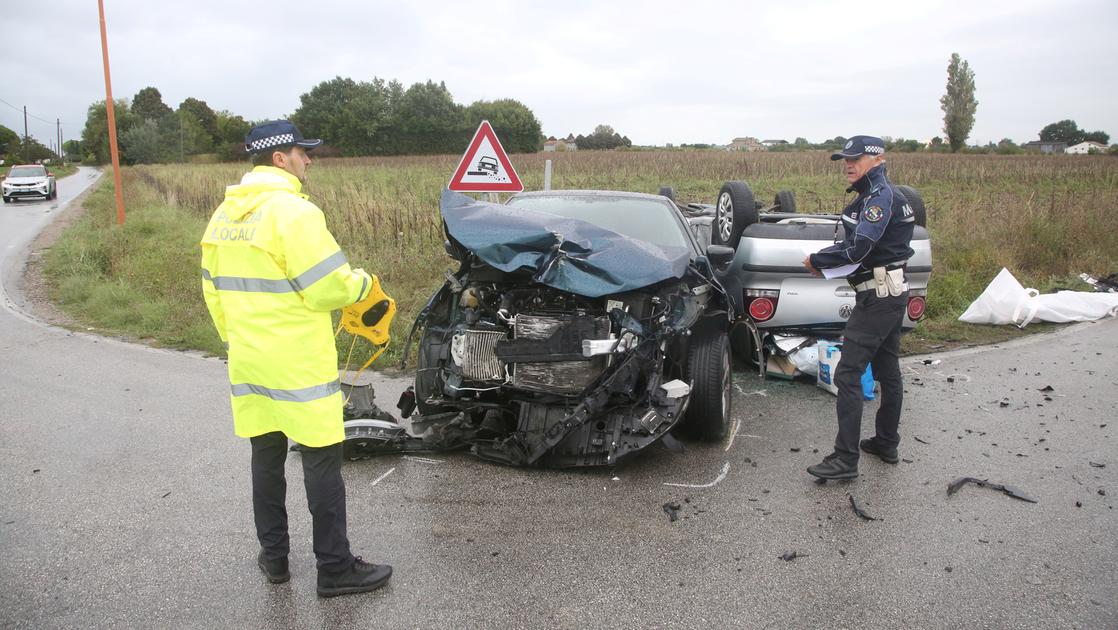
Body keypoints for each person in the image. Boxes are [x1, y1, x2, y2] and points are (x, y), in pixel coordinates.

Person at [200, 120, 392, 597]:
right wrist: (364, 284)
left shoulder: (223, 216)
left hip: (248, 362)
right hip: (298, 366)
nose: (310, 159)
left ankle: (275, 560)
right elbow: (329, 286)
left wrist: (238, 342)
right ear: (279, 159)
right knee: (322, 462)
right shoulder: (293, 213)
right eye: (302, 153)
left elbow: (213, 292)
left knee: (265, 460)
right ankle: (335, 568)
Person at [803, 135, 916, 480]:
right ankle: (886, 441)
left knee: (848, 373)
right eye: (844, 160)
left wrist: (818, 261)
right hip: (890, 294)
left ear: (877, 159)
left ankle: (845, 459)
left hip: (878, 297)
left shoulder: (880, 197)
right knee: (888, 369)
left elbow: (860, 247)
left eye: (855, 159)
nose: (848, 165)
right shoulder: (884, 194)